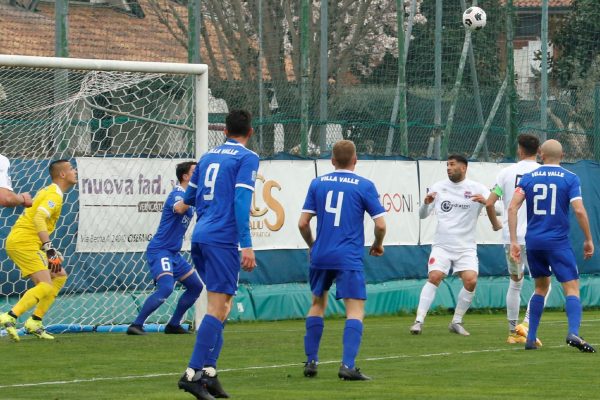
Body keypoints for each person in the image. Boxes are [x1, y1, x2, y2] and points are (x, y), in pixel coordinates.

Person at [177, 109, 259, 400]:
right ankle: (192, 374)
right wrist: (246, 244)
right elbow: (240, 201)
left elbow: (188, 197)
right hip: (223, 239)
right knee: (218, 308)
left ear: (224, 130)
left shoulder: (208, 156)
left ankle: (210, 373)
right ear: (250, 132)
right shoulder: (247, 158)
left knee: (221, 306)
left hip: (200, 236)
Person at [298, 140, 386, 381]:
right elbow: (380, 224)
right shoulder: (364, 185)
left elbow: (303, 223)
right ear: (355, 160)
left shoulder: (317, 183)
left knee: (317, 304)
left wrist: (312, 245)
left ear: (332, 160)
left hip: (321, 254)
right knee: (355, 310)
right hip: (348, 256)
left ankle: (311, 361)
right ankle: (347, 365)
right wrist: (378, 244)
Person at [508, 139, 595, 352]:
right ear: (562, 156)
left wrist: (513, 241)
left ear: (540, 154)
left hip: (534, 242)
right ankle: (573, 331)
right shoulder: (570, 178)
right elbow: (580, 210)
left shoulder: (528, 178)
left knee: (540, 287)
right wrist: (588, 239)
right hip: (557, 242)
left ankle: (531, 338)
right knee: (572, 288)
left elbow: (512, 208)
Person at [410, 154, 490, 336]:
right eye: (447, 165)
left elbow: (498, 209)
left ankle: (456, 321)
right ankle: (418, 321)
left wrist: (486, 202)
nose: (448, 168)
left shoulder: (477, 188)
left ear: (463, 168)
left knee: (471, 280)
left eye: (452, 165)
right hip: (442, 245)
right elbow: (422, 215)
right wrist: (425, 204)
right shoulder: (439, 187)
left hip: (466, 247)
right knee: (435, 276)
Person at [0, 160, 77, 342]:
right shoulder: (54, 195)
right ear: (63, 175)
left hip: (28, 242)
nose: (76, 171)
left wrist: (46, 247)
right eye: (72, 169)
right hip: (23, 242)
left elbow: (34, 218)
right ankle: (10, 316)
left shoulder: (49, 191)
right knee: (45, 285)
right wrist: (49, 249)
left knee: (59, 275)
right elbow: (39, 219)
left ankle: (35, 321)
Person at [127, 161, 203, 336]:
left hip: (173, 253)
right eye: (195, 171)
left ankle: (173, 324)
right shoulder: (178, 193)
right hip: (160, 250)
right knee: (166, 288)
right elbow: (178, 208)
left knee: (196, 286)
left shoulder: (191, 195)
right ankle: (136, 325)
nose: (198, 173)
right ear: (186, 177)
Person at [485, 134, 547, 345]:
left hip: (511, 237)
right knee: (543, 285)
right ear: (539, 151)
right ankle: (527, 324)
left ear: (519, 150)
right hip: (537, 237)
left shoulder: (506, 173)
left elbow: (489, 202)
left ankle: (513, 332)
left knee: (515, 283)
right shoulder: (543, 172)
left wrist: (495, 224)